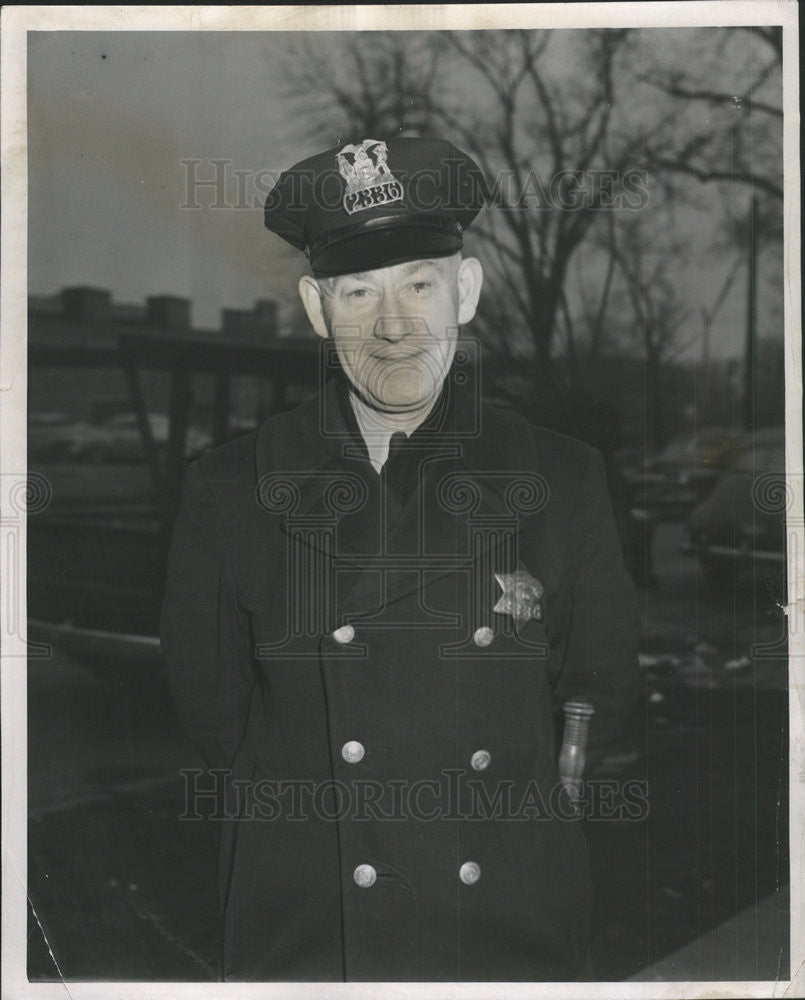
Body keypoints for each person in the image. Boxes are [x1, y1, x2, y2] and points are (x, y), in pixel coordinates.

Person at [160, 136, 640, 982]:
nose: (392, 326)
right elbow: (214, 718)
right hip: (311, 923)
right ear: (317, 309)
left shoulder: (559, 478)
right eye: (358, 294)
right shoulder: (231, 490)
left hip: (502, 924)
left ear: (465, 291)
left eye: (419, 284)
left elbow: (596, 688)